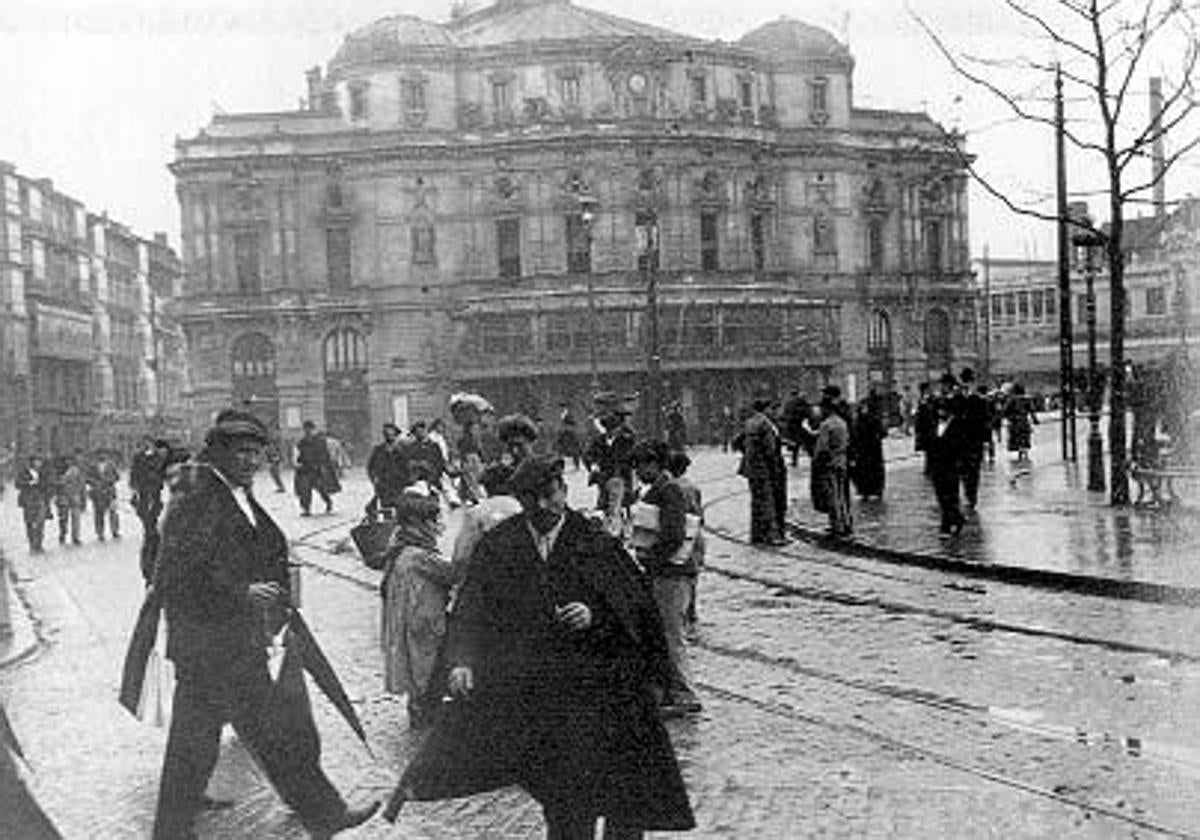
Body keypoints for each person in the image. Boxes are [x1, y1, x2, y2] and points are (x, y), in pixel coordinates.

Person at [387, 455, 695, 839]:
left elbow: (634, 607)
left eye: (552, 495)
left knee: (622, 794)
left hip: (603, 694)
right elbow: (471, 607)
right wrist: (462, 661)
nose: (547, 506)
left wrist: (594, 614)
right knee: (562, 799)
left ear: (563, 491)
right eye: (535, 500)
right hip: (543, 699)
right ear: (523, 501)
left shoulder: (596, 542)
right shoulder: (501, 545)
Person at [146, 409, 379, 839]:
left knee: (211, 743)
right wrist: (241, 592)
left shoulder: (233, 492)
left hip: (228, 643)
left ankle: (172, 832)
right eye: (243, 453)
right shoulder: (198, 495)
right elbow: (180, 570)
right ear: (220, 454)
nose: (252, 461)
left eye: (257, 452)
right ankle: (323, 814)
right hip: (212, 644)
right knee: (249, 739)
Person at [630, 440, 702, 716]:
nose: (638, 470)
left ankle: (684, 693)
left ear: (656, 464)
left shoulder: (668, 490)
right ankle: (670, 691)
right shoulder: (662, 488)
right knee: (663, 632)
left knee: (672, 633)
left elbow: (672, 534)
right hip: (665, 572)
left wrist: (651, 557)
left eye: (642, 465)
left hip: (671, 573)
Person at [380, 490, 460, 729]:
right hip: (423, 624)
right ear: (418, 524)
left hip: (413, 621)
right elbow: (454, 573)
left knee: (419, 671)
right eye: (434, 521)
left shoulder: (400, 546)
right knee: (426, 670)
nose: (438, 526)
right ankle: (424, 715)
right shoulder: (417, 555)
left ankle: (419, 710)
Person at [735, 394, 788, 546]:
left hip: (753, 469)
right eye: (773, 409)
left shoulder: (750, 422)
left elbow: (739, 442)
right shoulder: (765, 424)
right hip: (764, 469)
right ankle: (771, 536)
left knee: (757, 502)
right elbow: (770, 450)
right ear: (767, 409)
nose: (776, 412)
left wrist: (750, 456)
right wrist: (775, 469)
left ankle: (757, 535)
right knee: (768, 502)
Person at [665, 450, 704, 636]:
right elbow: (700, 515)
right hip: (695, 536)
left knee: (678, 578)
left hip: (682, 534)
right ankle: (692, 614)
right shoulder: (692, 487)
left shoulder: (669, 488)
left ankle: (683, 615)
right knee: (692, 577)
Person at [811, 386, 853, 538]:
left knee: (833, 497)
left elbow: (822, 448)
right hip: (841, 460)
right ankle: (846, 523)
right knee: (842, 495)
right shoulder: (842, 422)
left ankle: (837, 526)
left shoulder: (826, 425)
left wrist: (816, 462)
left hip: (829, 464)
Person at [929, 395, 966, 536]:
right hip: (938, 467)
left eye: (944, 409)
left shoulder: (958, 425)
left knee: (950, 496)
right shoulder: (935, 425)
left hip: (951, 466)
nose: (941, 412)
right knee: (941, 496)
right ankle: (956, 518)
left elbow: (961, 447)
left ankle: (946, 524)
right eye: (939, 409)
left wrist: (960, 464)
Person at [955, 368, 992, 509]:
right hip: (967, 441)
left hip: (970, 441)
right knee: (967, 470)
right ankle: (969, 495)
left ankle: (970, 495)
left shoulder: (976, 399)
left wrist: (986, 440)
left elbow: (984, 421)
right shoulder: (972, 399)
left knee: (970, 470)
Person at [478, 413, 539, 497]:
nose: (515, 451)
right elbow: (486, 484)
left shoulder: (541, 467)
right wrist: (501, 469)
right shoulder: (499, 469)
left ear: (530, 442)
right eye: (510, 445)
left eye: (519, 445)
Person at [850, 388, 887, 500]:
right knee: (868, 470)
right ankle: (869, 490)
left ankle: (870, 490)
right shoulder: (870, 416)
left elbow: (882, 432)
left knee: (869, 470)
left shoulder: (870, 416)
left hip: (869, 448)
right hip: (867, 448)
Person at [367, 423, 411, 514]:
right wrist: (374, 478)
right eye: (387, 435)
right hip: (383, 486)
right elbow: (371, 467)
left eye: (392, 435)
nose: (389, 437)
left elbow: (408, 468)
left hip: (399, 485)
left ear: (396, 435)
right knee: (386, 510)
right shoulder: (378, 450)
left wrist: (406, 481)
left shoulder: (403, 450)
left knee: (401, 510)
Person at [295, 421, 336, 516]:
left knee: (321, 489)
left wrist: (324, 466)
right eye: (305, 429)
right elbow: (299, 455)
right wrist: (299, 462)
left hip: (317, 470)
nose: (307, 431)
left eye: (309, 428)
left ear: (312, 429)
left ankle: (328, 502)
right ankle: (306, 509)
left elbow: (325, 455)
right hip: (305, 469)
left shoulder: (319, 441)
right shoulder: (302, 442)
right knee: (305, 490)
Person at [15, 455, 51, 554]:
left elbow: (48, 485)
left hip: (41, 500)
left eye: (40, 461)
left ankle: (39, 544)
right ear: (31, 462)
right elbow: (17, 484)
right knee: (30, 523)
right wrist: (29, 483)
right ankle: (32, 545)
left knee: (40, 523)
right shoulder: (23, 472)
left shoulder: (43, 473)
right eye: (37, 461)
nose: (39, 463)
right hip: (28, 501)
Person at [1004, 382, 1039, 474]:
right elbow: (1032, 411)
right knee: (1024, 437)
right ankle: (1024, 454)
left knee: (1016, 438)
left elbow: (1005, 411)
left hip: (1014, 422)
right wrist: (1035, 420)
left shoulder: (1011, 400)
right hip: (1024, 421)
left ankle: (1020, 455)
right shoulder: (1027, 400)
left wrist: (1008, 417)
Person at [86, 450, 121, 540]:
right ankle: (100, 533)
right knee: (99, 514)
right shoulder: (92, 466)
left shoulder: (111, 465)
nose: (102, 456)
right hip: (97, 493)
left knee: (113, 512)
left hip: (110, 492)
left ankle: (115, 531)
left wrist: (110, 480)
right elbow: (87, 478)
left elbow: (117, 477)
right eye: (100, 454)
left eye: (104, 454)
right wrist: (95, 483)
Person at [55, 452, 87, 546]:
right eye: (66, 460)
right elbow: (54, 485)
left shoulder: (77, 471)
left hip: (75, 496)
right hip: (63, 497)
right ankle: (63, 534)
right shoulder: (58, 471)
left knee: (76, 518)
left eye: (70, 460)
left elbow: (82, 485)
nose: (68, 462)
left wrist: (83, 498)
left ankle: (75, 537)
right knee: (63, 519)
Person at [913, 381, 938, 476]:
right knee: (927, 449)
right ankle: (928, 467)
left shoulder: (932, 399)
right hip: (924, 428)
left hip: (931, 428)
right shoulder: (921, 400)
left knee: (931, 449)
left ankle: (931, 468)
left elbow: (933, 413)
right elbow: (920, 415)